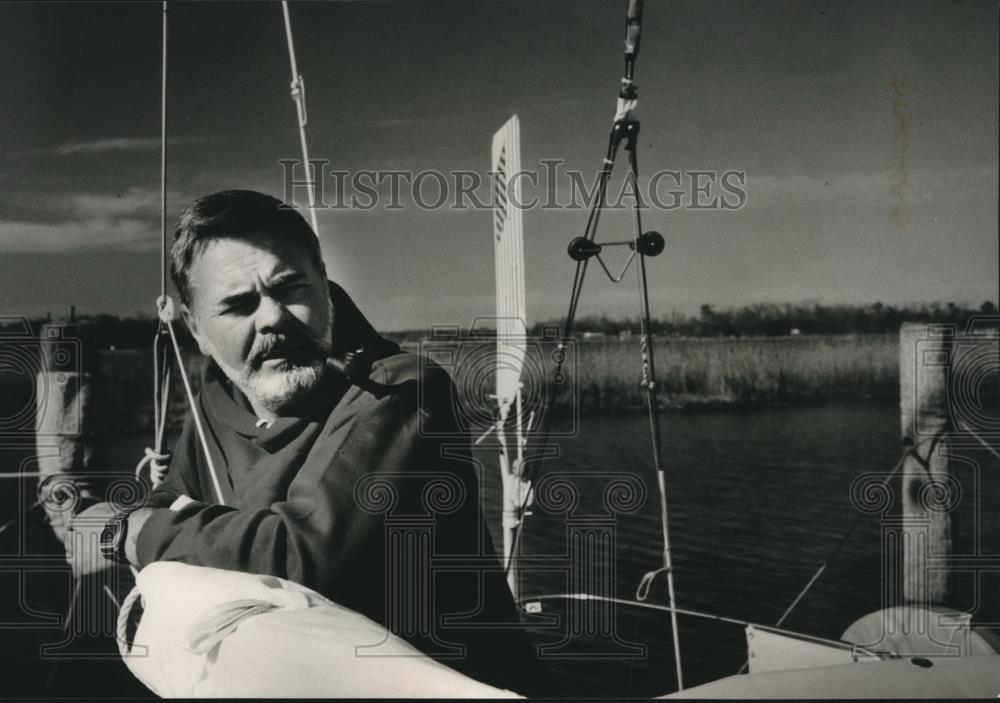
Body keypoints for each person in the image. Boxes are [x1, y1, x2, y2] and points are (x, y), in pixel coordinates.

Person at [68, 189, 551, 696]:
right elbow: (175, 499)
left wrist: (123, 533)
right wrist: (151, 518)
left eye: (290, 287)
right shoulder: (216, 399)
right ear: (196, 328)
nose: (273, 318)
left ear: (324, 284)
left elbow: (302, 556)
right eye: (238, 305)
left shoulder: (402, 392)